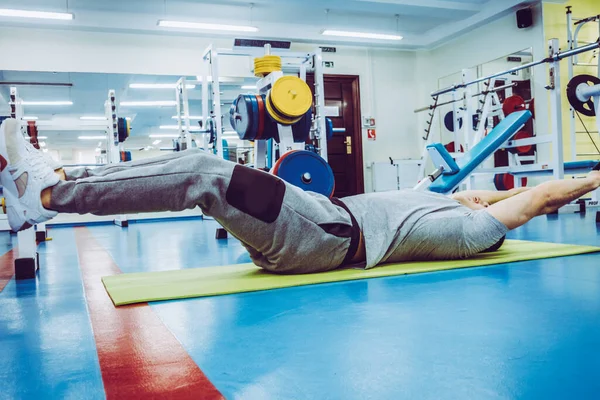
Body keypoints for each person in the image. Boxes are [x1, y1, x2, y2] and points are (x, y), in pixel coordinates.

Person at [1, 118, 599, 274]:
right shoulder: (449, 201)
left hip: (326, 236)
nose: (480, 197)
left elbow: (543, 195)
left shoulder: (479, 232)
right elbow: (488, 192)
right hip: (317, 220)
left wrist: (592, 177)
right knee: (211, 175)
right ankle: (58, 187)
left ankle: (50, 197)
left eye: (489, 200)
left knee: (207, 174)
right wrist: (470, 194)